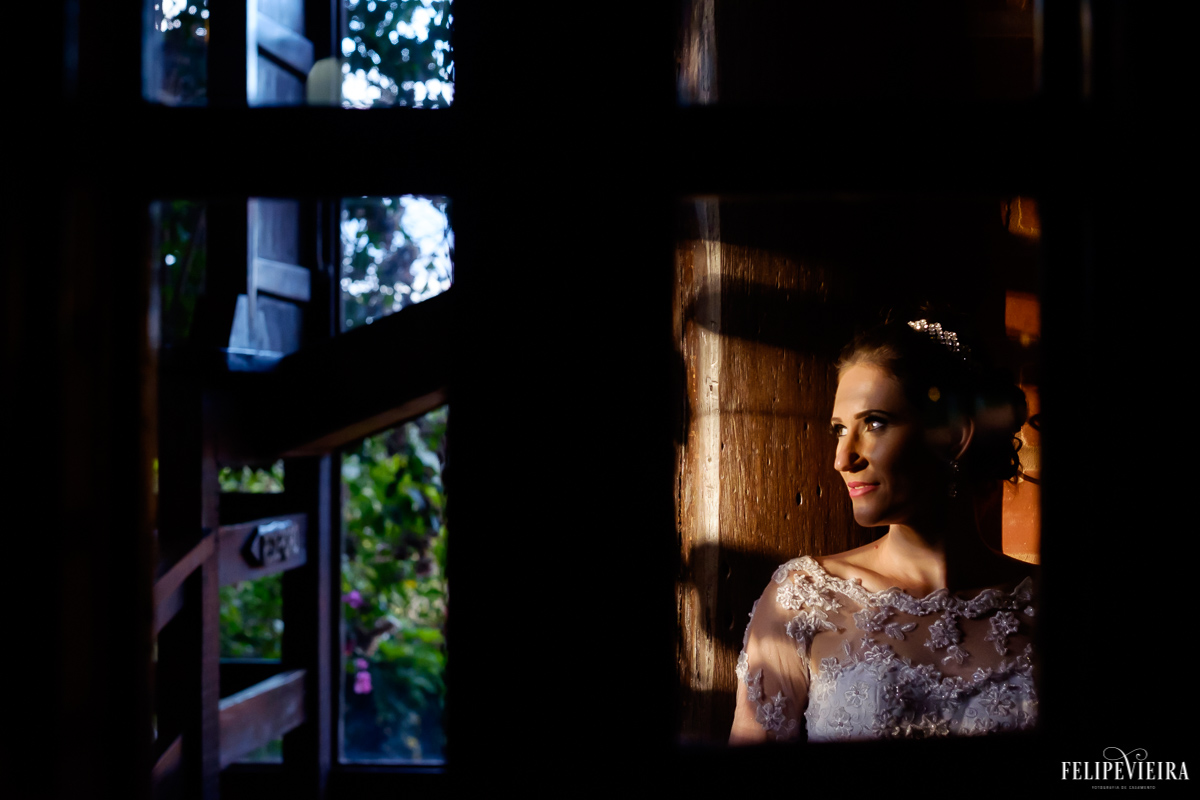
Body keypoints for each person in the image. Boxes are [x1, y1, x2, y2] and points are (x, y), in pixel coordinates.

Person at [729, 317, 1037, 743]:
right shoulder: (803, 597)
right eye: (840, 429)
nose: (842, 459)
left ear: (952, 436)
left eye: (873, 423)